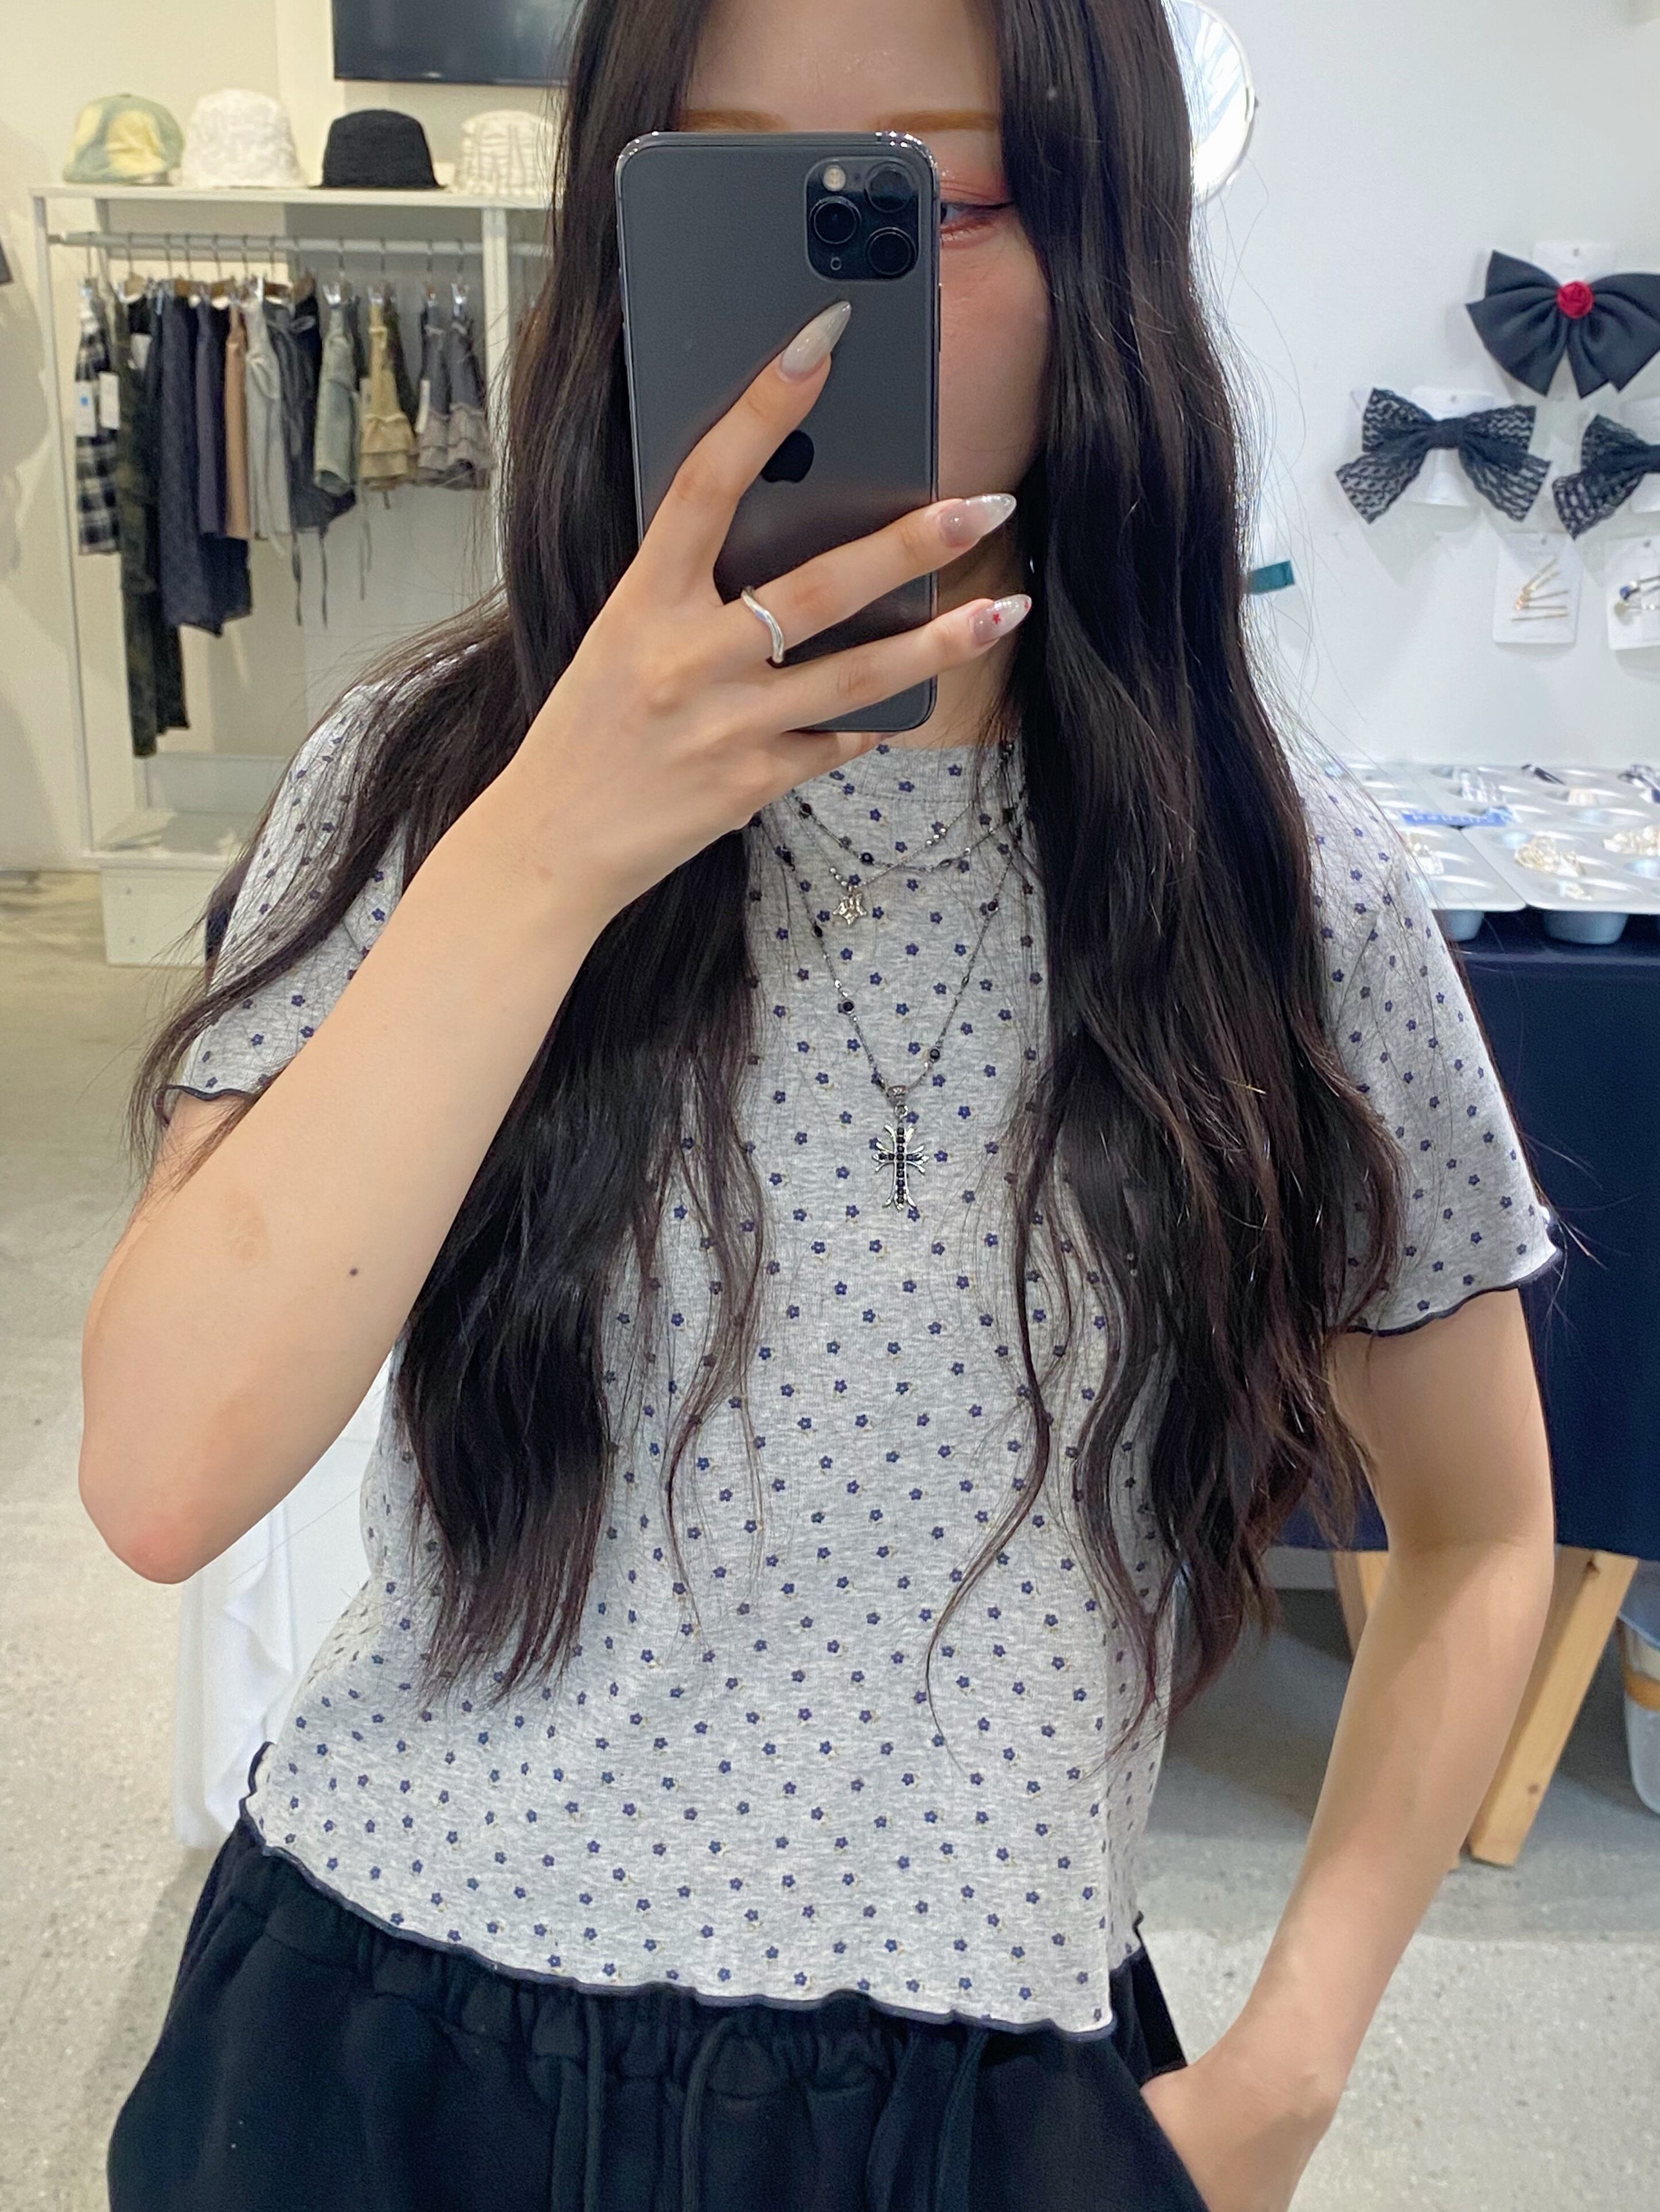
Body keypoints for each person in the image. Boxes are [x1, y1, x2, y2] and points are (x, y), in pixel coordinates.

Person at [82, 1, 1566, 2206]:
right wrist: (546, 845)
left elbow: (1483, 1532)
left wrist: (1287, 2075)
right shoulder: (419, 796)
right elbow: (162, 1477)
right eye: (730, 194)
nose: (820, 311)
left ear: (1108, 246)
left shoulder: (1273, 877)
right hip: (382, 2036)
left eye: (926, 203)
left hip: (963, 2071)